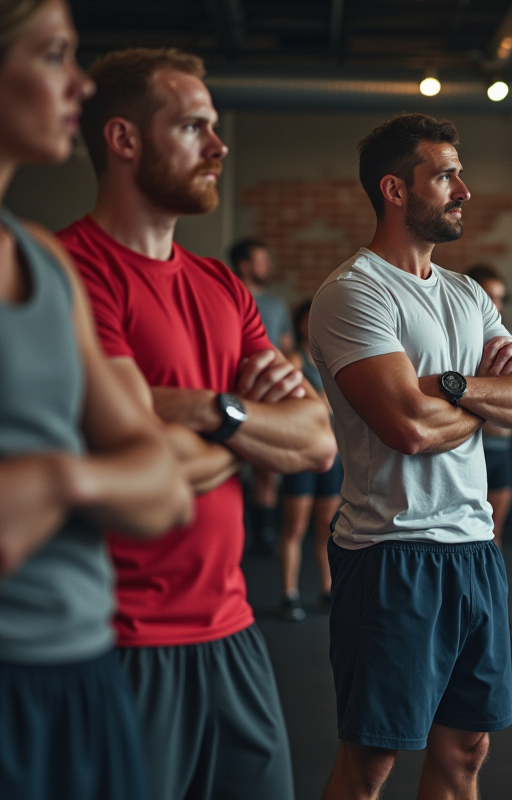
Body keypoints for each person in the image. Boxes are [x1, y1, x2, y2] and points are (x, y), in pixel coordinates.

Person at [61, 46, 338, 800]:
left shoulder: (221, 285)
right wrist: (251, 435)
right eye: (194, 128)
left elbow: (316, 440)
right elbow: (140, 459)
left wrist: (211, 410)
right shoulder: (74, 273)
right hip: (123, 641)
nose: (219, 148)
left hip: (233, 631)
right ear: (123, 141)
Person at [309, 113, 512, 800]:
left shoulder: (468, 294)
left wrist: (449, 387)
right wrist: (483, 403)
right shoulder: (353, 292)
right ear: (394, 189)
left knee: (467, 750)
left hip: (475, 548)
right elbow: (406, 429)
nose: (463, 190)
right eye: (445, 175)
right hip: (391, 552)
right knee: (372, 764)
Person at [0, 5, 193, 798]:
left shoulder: (41, 260)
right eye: (53, 56)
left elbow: (162, 483)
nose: (80, 82)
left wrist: (62, 481)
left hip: (83, 671)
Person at [276, 300, 344, 621]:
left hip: (331, 454)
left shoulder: (332, 360)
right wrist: (323, 402)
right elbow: (295, 404)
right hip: (300, 455)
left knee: (325, 528)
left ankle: (326, 589)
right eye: (307, 321)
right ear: (301, 324)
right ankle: (290, 593)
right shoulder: (293, 359)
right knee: (295, 526)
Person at [231, 238, 293, 552]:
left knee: (266, 469)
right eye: (260, 261)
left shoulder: (276, 306)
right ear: (244, 265)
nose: (266, 267)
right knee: (227, 464)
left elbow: (285, 349)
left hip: (267, 395)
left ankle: (263, 534)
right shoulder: (225, 297)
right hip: (229, 392)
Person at [466, 263, 512, 545]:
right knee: (470, 536)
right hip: (470, 449)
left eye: (501, 297)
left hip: (503, 450)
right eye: (490, 296)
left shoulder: (511, 341)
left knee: (494, 535)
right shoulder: (459, 343)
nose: (496, 304)